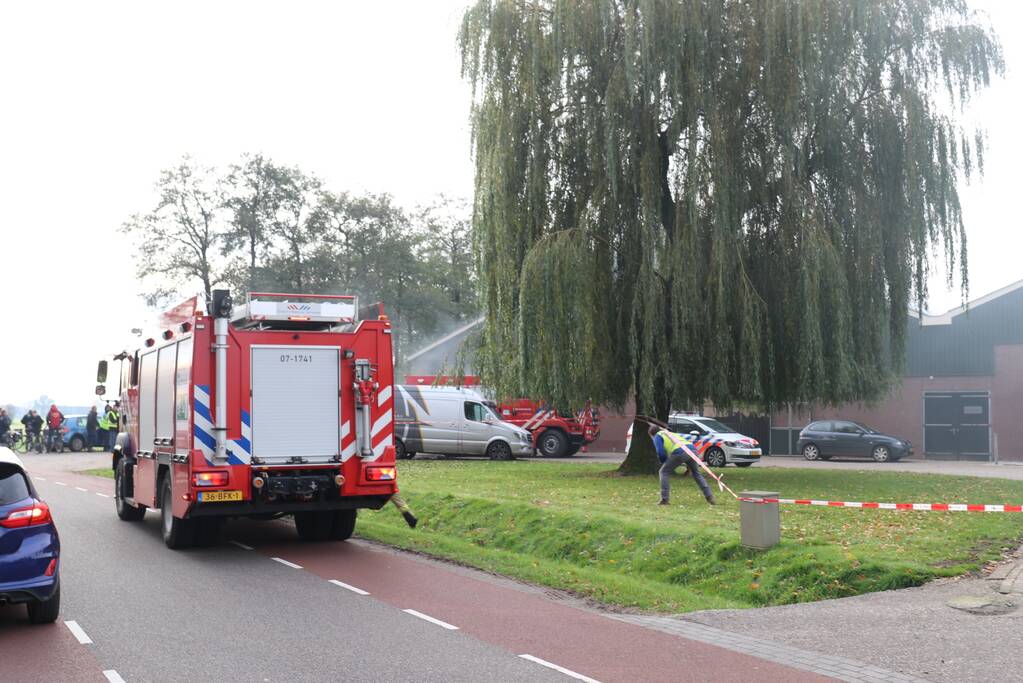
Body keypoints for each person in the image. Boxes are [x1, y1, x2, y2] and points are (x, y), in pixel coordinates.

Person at [642, 417, 715, 506]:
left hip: (680, 452)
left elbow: (660, 452)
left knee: (663, 472)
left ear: (651, 435)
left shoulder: (658, 436)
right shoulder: (669, 433)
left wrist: (663, 461)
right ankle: (709, 496)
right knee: (696, 474)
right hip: (692, 450)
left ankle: (664, 499)